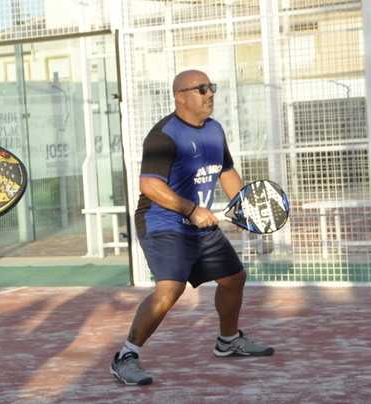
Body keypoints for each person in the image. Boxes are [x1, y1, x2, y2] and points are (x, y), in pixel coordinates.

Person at [109, 69, 273, 386]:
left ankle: (227, 341)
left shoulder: (214, 131)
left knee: (234, 278)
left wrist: (245, 206)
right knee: (170, 288)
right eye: (201, 89)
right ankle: (125, 356)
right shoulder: (164, 135)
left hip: (198, 223)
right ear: (180, 96)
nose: (209, 93)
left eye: (211, 87)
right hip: (162, 221)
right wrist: (191, 209)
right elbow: (149, 185)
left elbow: (225, 171)